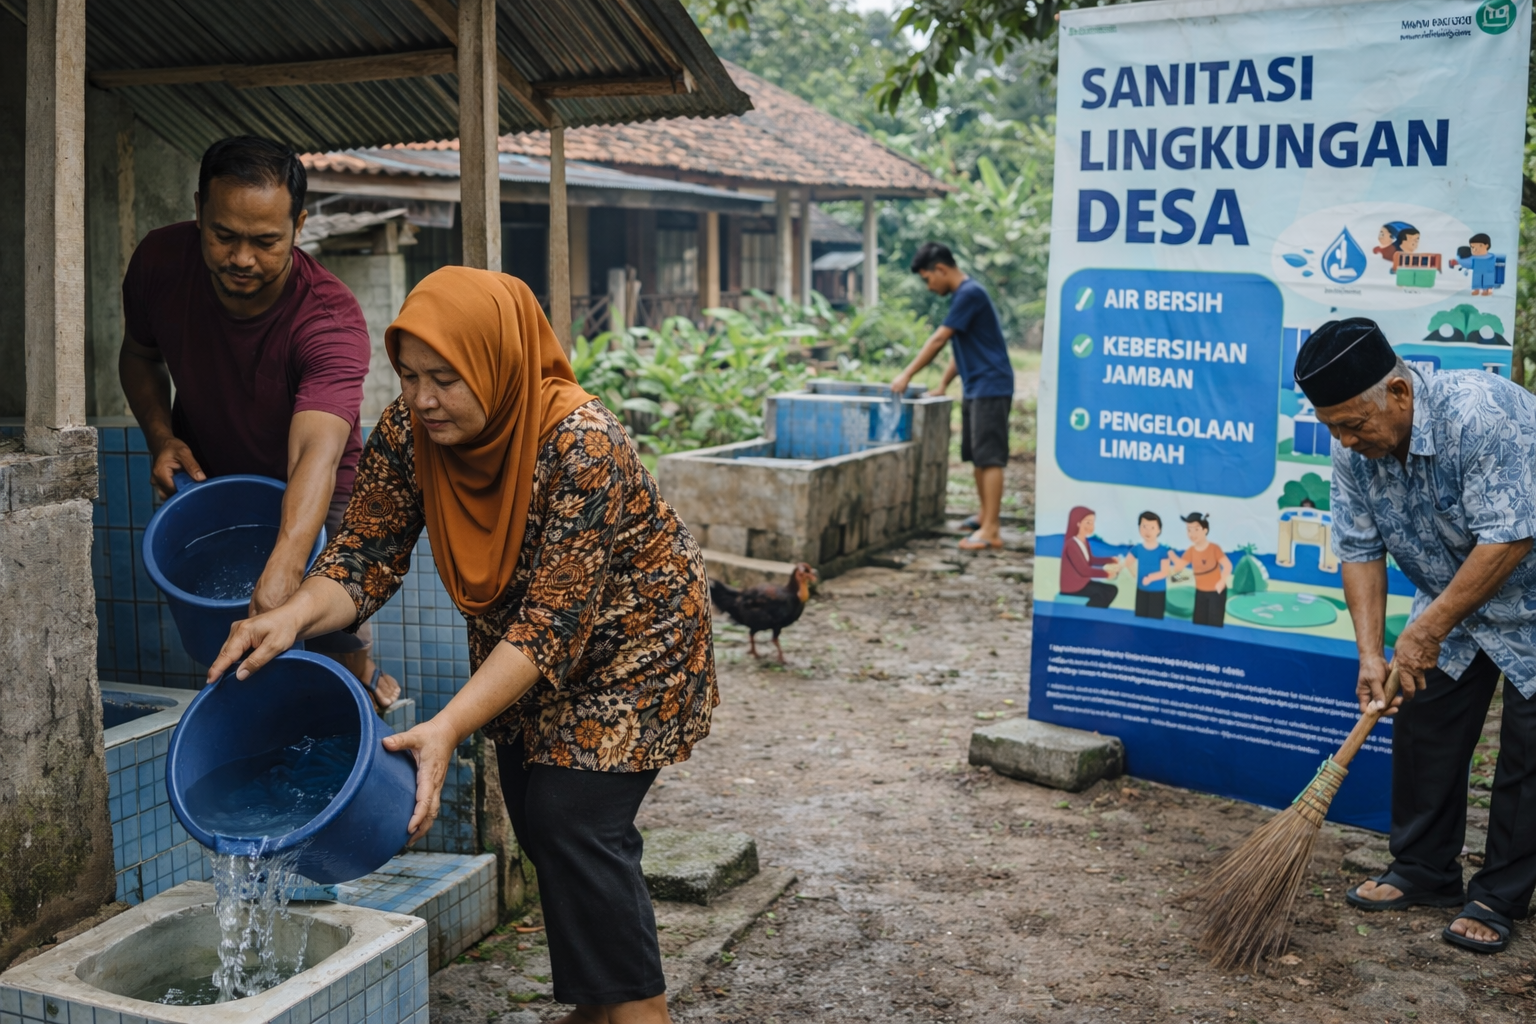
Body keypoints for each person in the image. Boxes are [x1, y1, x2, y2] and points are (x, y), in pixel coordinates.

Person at [208, 267, 716, 1021]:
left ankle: (640, 1011)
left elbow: (553, 623)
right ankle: (593, 1005)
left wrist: (446, 724)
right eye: (409, 375)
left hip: (634, 648)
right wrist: (293, 615)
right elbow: (364, 555)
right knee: (542, 824)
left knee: (577, 821)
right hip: (520, 648)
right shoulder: (410, 434)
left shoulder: (582, 443)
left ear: (497, 365)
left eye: (445, 378)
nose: (420, 398)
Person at [118, 135, 399, 710]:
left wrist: (287, 564)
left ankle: (361, 671)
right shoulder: (159, 262)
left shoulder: (330, 319)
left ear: (298, 226)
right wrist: (161, 438)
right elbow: (140, 354)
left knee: (326, 639)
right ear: (198, 211)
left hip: (320, 485)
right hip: (212, 472)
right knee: (231, 636)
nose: (242, 258)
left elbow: (313, 457)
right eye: (223, 235)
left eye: (266, 241)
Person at [1297, 317, 1536, 955]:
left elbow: (1510, 535)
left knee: (1528, 749)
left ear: (1399, 395)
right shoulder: (1351, 444)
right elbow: (1357, 547)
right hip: (1455, 598)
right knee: (1425, 720)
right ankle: (1425, 870)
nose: (1345, 440)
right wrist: (1372, 653)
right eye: (1334, 428)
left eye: (1353, 424)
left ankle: (1500, 896)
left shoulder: (1482, 412)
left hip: (1528, 593)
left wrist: (1425, 627)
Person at [891, 242, 1014, 551]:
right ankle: (985, 515)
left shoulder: (970, 293)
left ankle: (992, 530)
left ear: (941, 270)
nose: (929, 286)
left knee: (990, 457)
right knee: (976, 455)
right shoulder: (965, 296)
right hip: (976, 386)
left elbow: (939, 340)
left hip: (990, 385)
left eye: (927, 279)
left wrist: (907, 374)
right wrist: (944, 383)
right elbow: (960, 349)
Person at [1168, 513, 1230, 627]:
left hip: (1216, 592)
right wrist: (1172, 556)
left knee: (1214, 625)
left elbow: (1228, 566)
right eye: (1189, 530)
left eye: (1196, 529)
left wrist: (1222, 582)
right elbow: (1179, 568)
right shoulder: (1191, 551)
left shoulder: (1214, 548)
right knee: (1199, 623)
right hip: (1200, 592)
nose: (1192, 534)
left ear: (1205, 530)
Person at [1059, 506, 1121, 608]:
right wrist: (1106, 574)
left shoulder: (1084, 541)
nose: (1092, 526)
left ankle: (1095, 614)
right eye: (1088, 522)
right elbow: (1084, 570)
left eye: (1092, 522)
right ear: (1078, 523)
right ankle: (1089, 614)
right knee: (1100, 594)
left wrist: (1110, 559)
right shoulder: (1071, 545)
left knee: (1111, 590)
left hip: (1083, 583)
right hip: (1073, 587)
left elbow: (1090, 560)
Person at [1128, 511, 1175, 619]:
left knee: (1155, 618)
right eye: (1144, 526)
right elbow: (1128, 562)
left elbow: (1165, 572)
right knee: (1140, 617)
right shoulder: (1138, 548)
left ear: (1159, 530)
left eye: (1152, 528)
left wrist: (1150, 578)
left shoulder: (1163, 551)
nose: (1147, 531)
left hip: (1158, 591)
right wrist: (1135, 574)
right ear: (1139, 527)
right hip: (1141, 589)